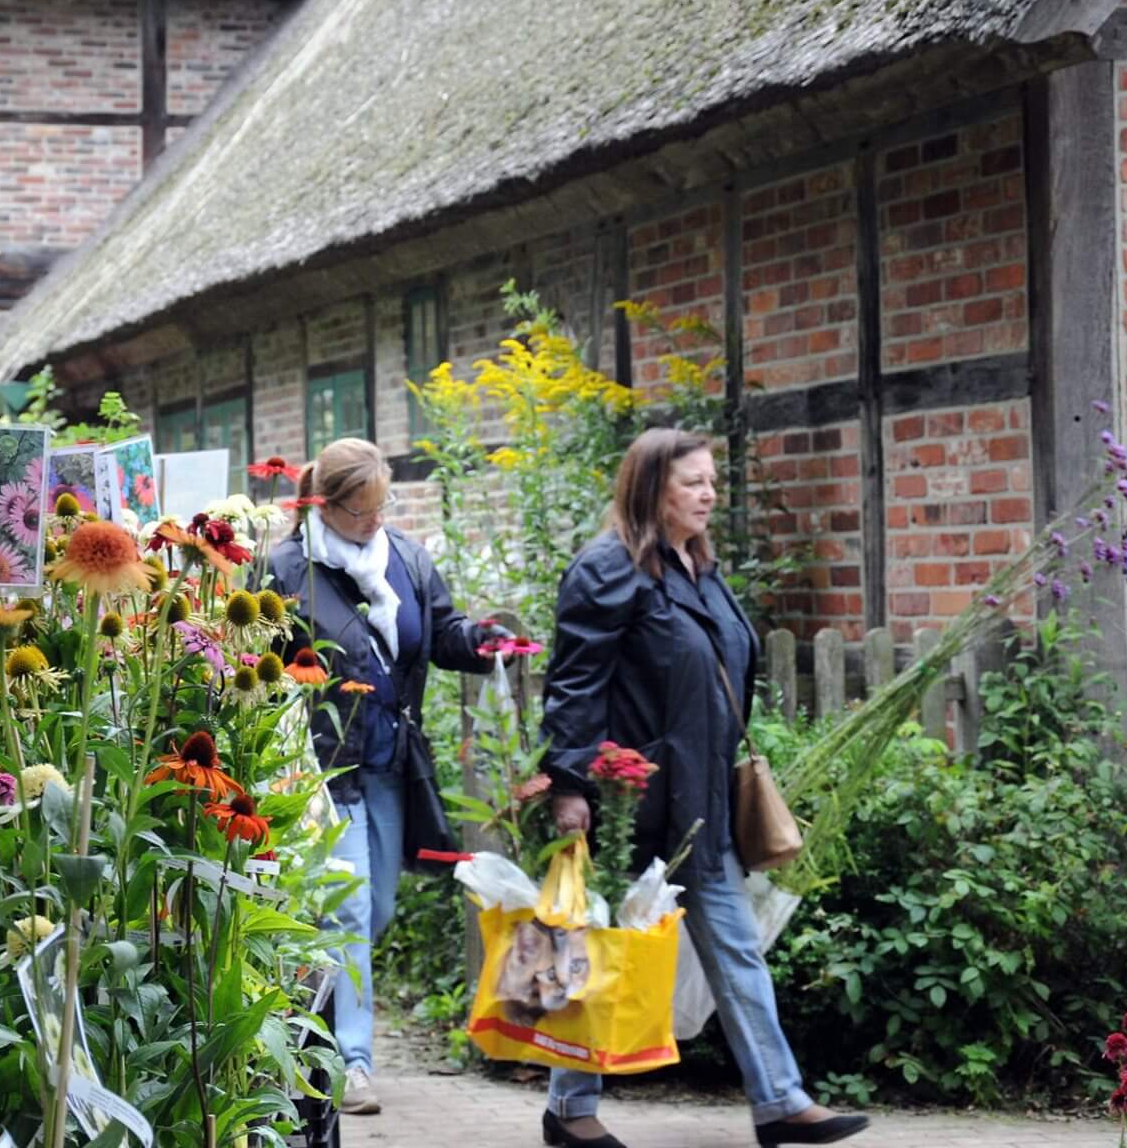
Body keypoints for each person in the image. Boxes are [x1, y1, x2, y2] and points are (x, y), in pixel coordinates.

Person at [539, 428, 869, 1148]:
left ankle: (780, 1102)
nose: (709, 493)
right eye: (693, 482)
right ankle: (569, 1109)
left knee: (737, 947)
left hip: (704, 802)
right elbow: (573, 685)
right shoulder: (607, 569)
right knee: (599, 953)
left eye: (711, 480)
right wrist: (571, 785)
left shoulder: (699, 568)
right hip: (631, 803)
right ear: (652, 488)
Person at [266, 437, 498, 1116]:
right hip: (322, 767)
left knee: (379, 909)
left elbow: (442, 632)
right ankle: (351, 1064)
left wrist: (482, 641)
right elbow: (259, 661)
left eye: (380, 508)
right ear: (327, 505)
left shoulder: (406, 558)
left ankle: (301, 1026)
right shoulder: (286, 568)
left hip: (392, 761)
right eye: (361, 512)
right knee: (348, 909)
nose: (374, 523)